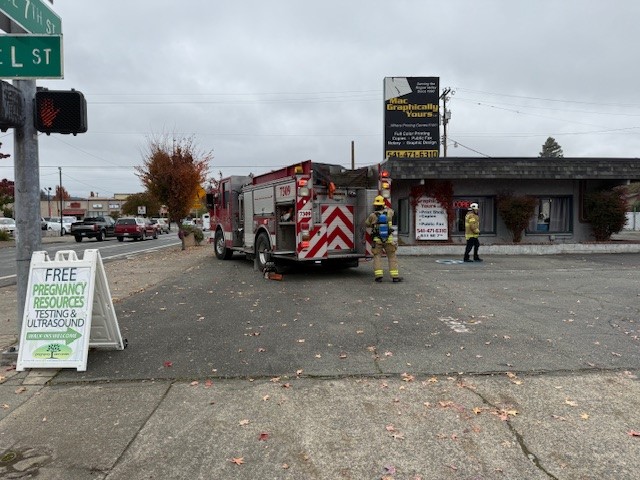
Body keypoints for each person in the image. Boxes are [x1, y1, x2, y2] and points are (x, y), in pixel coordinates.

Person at [366, 195, 402, 282]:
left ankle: (379, 276)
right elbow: (393, 213)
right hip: (389, 240)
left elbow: (367, 224)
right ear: (383, 204)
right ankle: (395, 277)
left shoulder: (373, 215)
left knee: (377, 257)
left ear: (375, 205)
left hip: (377, 240)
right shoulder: (390, 212)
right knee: (392, 257)